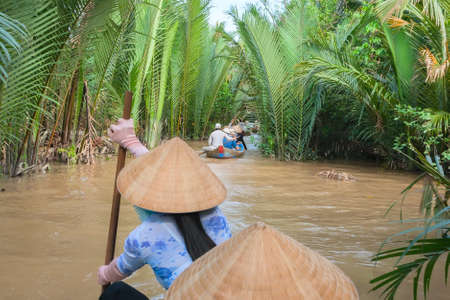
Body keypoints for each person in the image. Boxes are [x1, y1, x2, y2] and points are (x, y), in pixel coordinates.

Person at [98, 118, 232, 299]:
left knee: (115, 293)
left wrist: (104, 273)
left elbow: (117, 270)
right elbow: (167, 177)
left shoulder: (143, 237)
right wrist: (131, 142)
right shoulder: (215, 214)